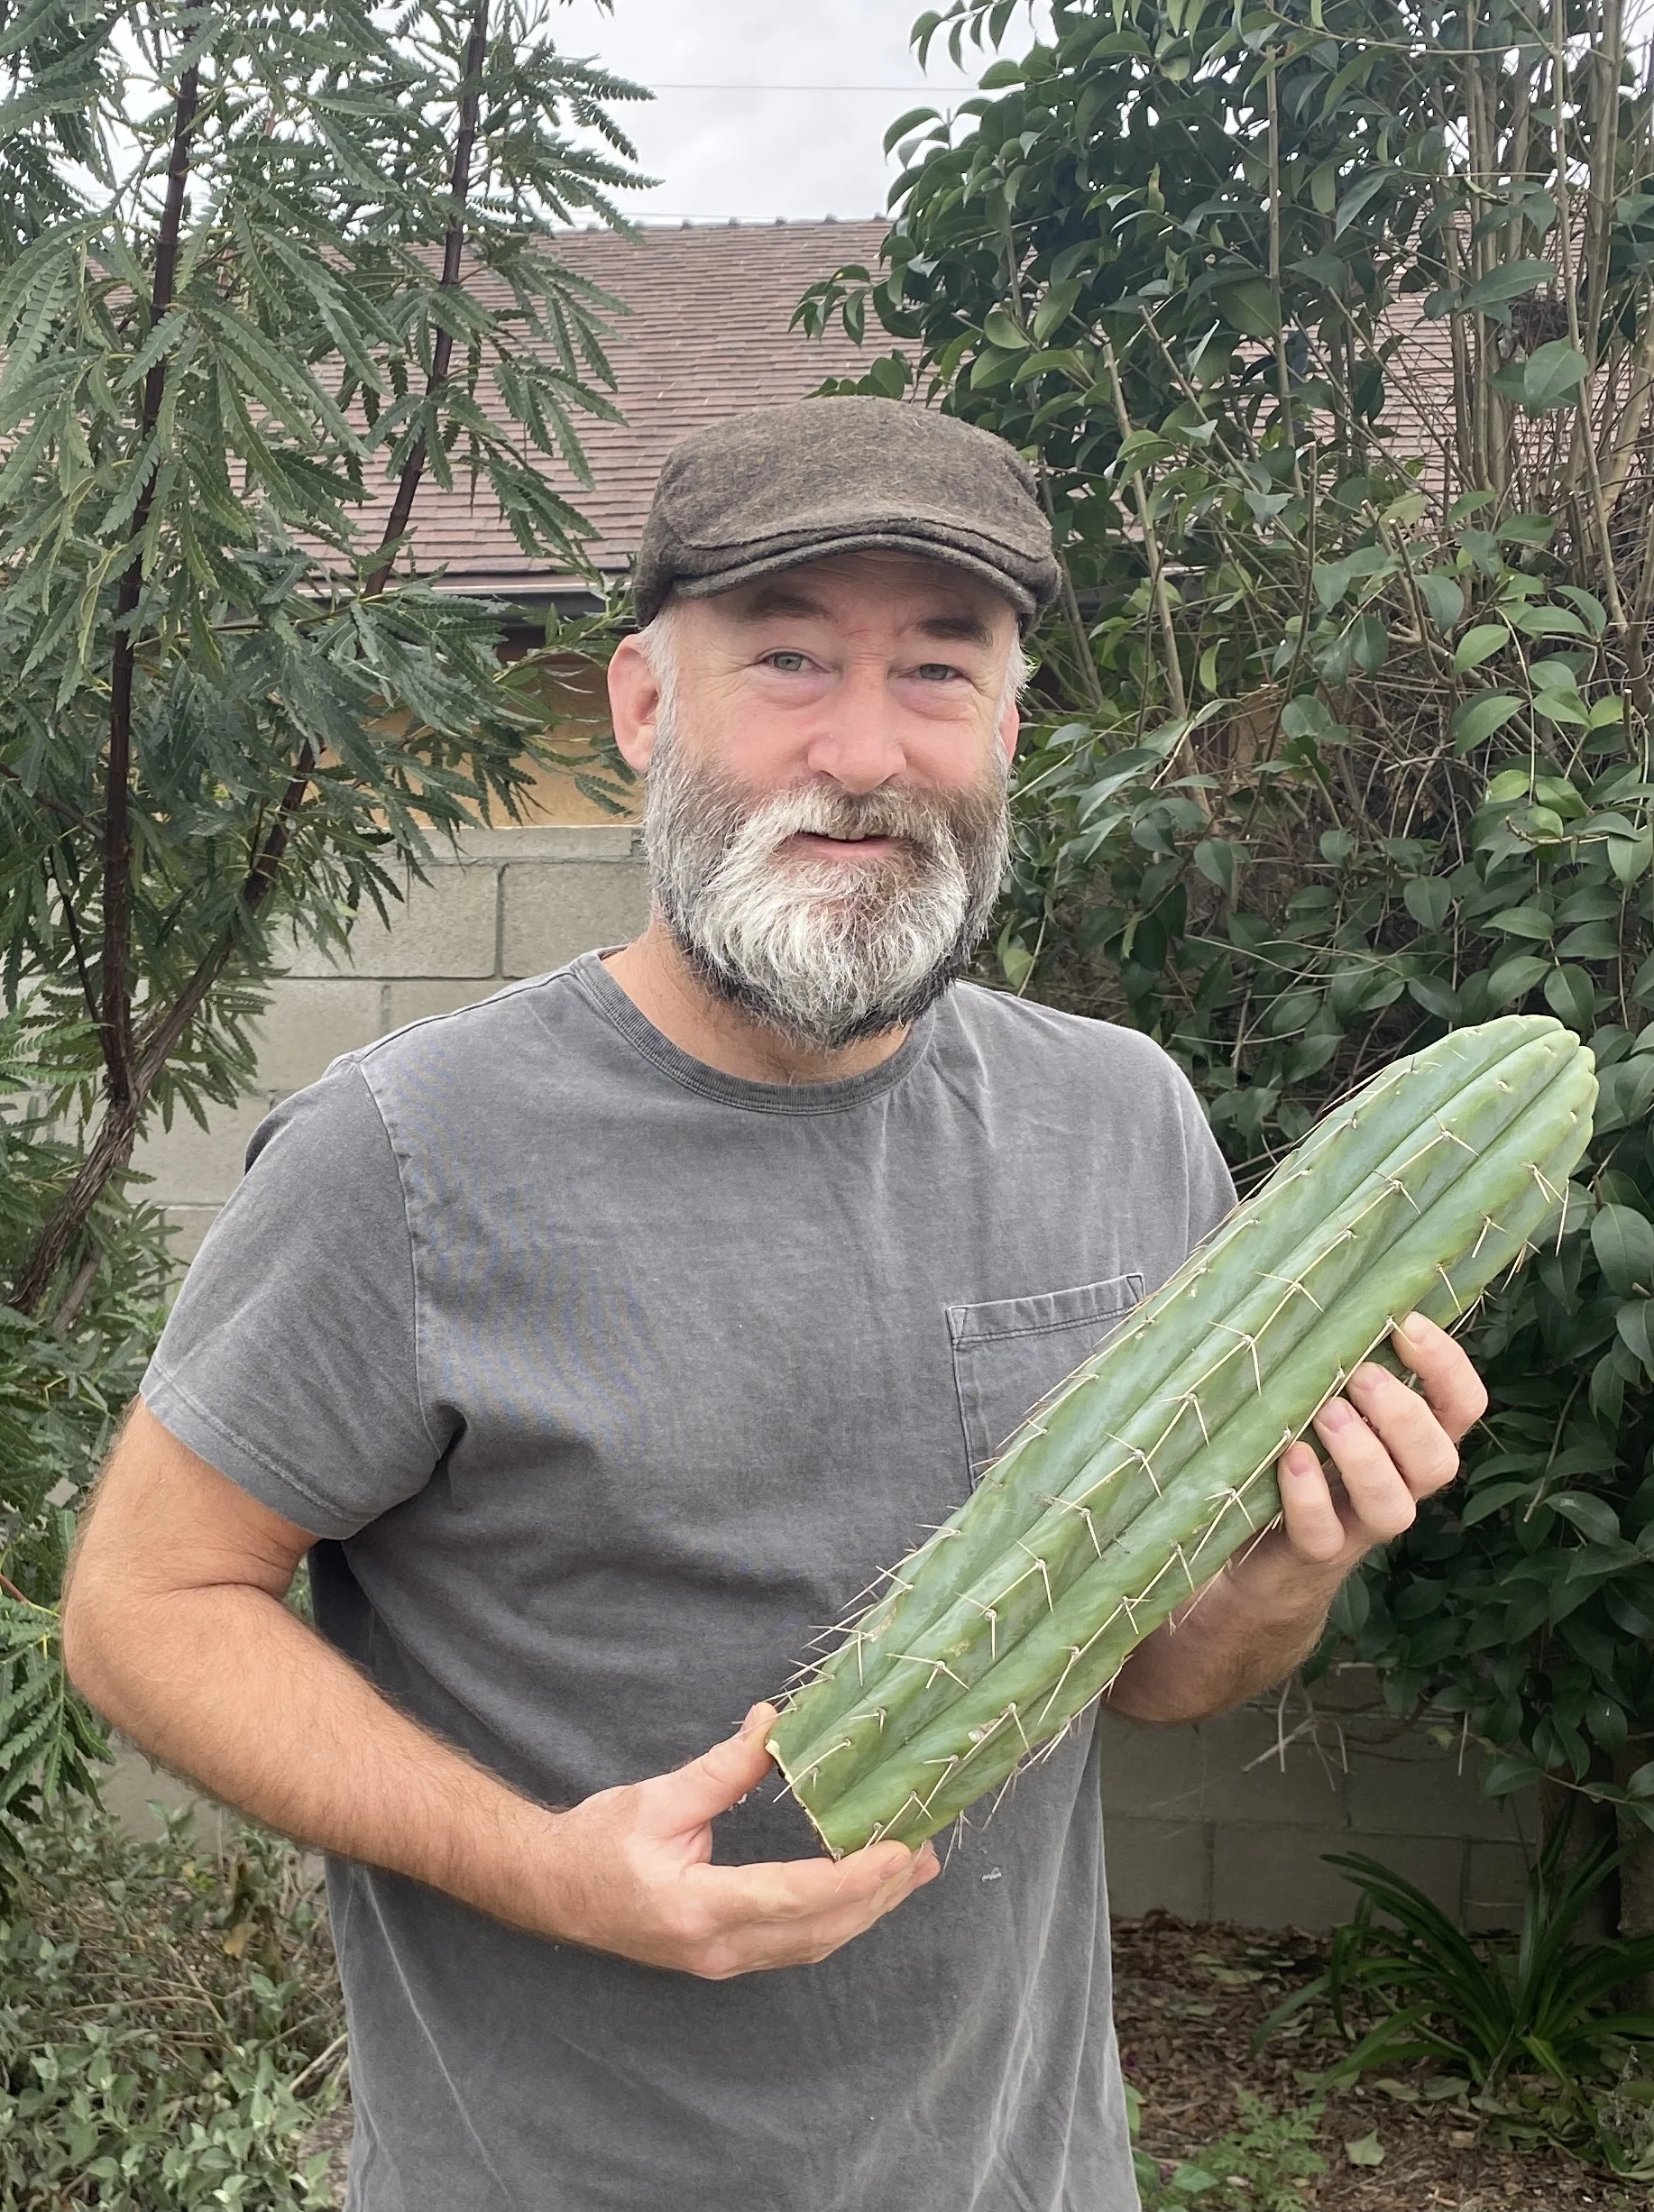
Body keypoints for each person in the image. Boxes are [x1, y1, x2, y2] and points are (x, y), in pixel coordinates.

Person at [63, 396, 1487, 2212]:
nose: (866, 750)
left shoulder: (1117, 1116)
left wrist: (1288, 1568)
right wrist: (540, 1863)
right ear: (646, 706)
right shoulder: (401, 1154)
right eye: (790, 657)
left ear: (1008, 730)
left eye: (935, 673)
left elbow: (1152, 1668)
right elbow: (141, 1604)